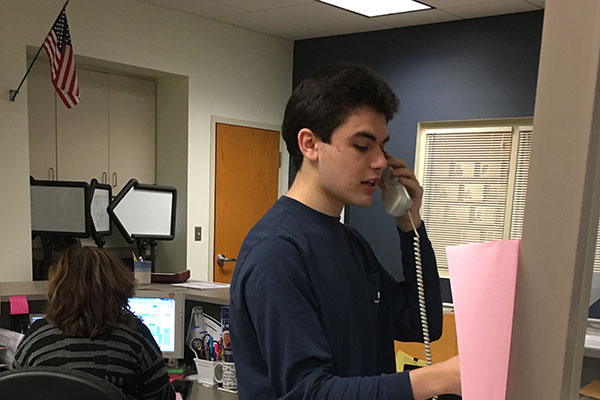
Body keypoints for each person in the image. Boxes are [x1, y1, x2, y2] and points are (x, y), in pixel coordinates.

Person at [230, 64, 461, 399]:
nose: (381, 161)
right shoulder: (277, 253)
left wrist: (410, 225)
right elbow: (308, 392)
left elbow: (419, 321)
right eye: (362, 145)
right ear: (310, 144)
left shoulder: (349, 241)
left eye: (382, 146)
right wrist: (435, 380)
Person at [13, 246, 175, 400]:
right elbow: (164, 397)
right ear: (118, 287)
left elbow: (14, 387)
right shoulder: (136, 336)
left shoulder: (37, 337)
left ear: (58, 289)